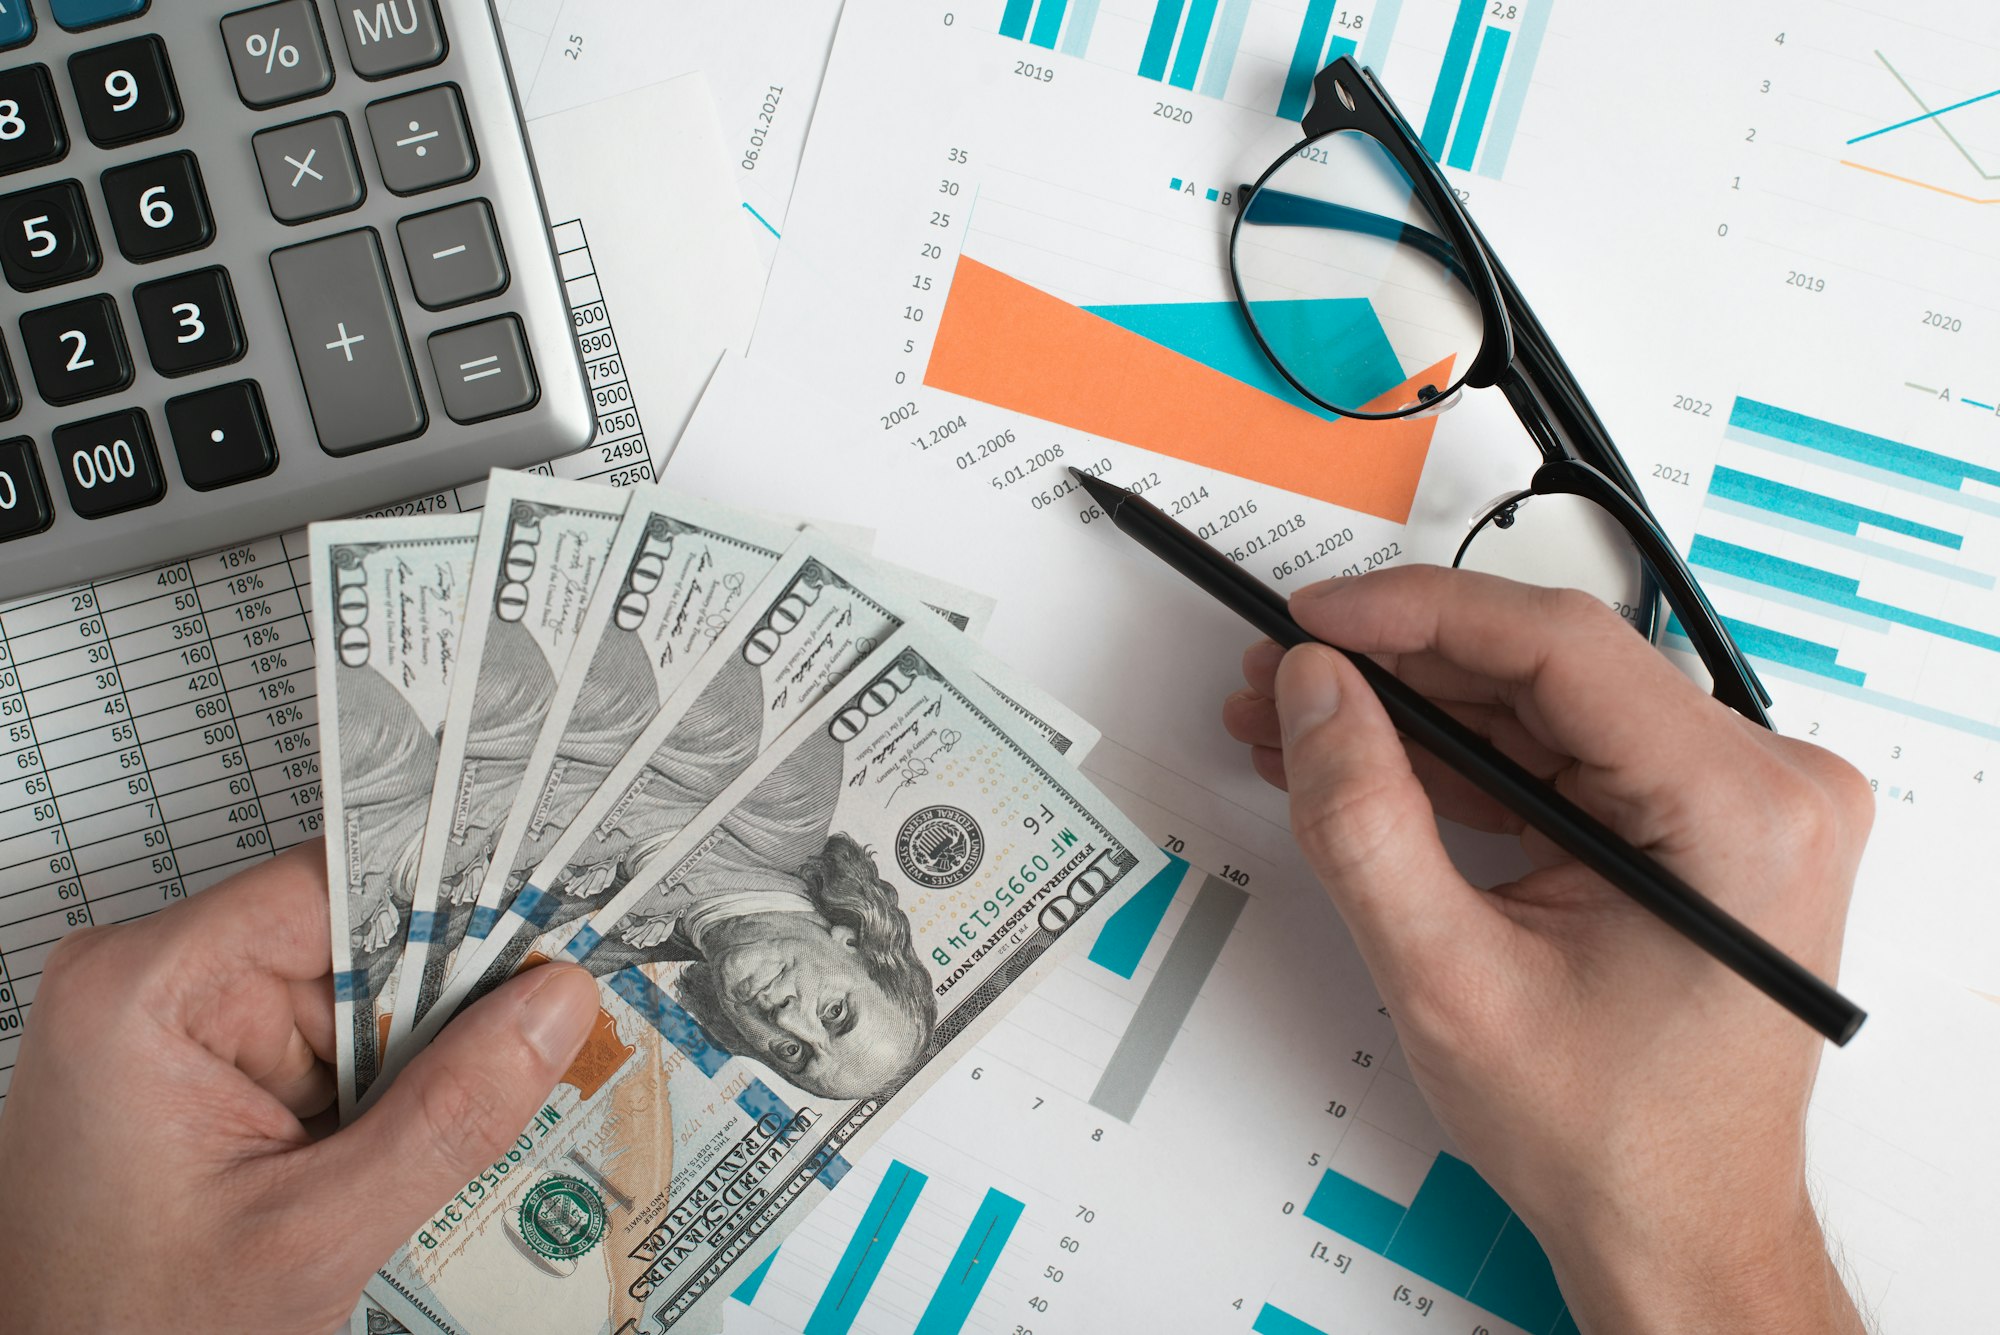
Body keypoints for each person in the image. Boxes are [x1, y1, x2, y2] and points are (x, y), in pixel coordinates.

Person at [0, 567, 1870, 1333]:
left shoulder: (542, 998)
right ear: (863, 935)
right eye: (854, 1006)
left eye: (813, 1056)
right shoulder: (779, 779)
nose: (814, 1025)